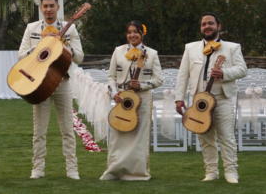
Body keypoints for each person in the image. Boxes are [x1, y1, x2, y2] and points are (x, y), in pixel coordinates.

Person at [174, 13, 247, 184]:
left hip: (222, 99)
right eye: (203, 24)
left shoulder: (232, 48)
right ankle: (211, 171)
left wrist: (224, 73)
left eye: (210, 23)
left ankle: (231, 172)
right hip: (199, 102)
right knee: (205, 139)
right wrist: (179, 98)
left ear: (218, 26)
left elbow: (243, 69)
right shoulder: (190, 48)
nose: (207, 27)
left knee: (227, 137)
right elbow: (182, 75)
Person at [18, 0, 84, 180]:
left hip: (63, 82)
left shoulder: (68, 29)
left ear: (58, 7)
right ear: (41, 8)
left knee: (67, 130)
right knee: (39, 130)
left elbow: (79, 56)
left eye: (51, 6)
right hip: (40, 84)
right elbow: (21, 55)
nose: (48, 9)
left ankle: (72, 169)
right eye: (45, 6)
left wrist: (64, 45)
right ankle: (37, 168)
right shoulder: (31, 28)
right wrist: (39, 47)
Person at [100, 21, 163, 181]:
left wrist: (141, 85)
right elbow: (111, 77)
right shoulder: (118, 51)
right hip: (122, 99)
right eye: (129, 32)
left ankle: (138, 173)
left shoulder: (152, 54)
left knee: (139, 138)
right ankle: (114, 171)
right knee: (117, 136)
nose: (132, 35)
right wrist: (114, 93)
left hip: (142, 100)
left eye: (136, 32)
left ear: (142, 34)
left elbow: (158, 79)